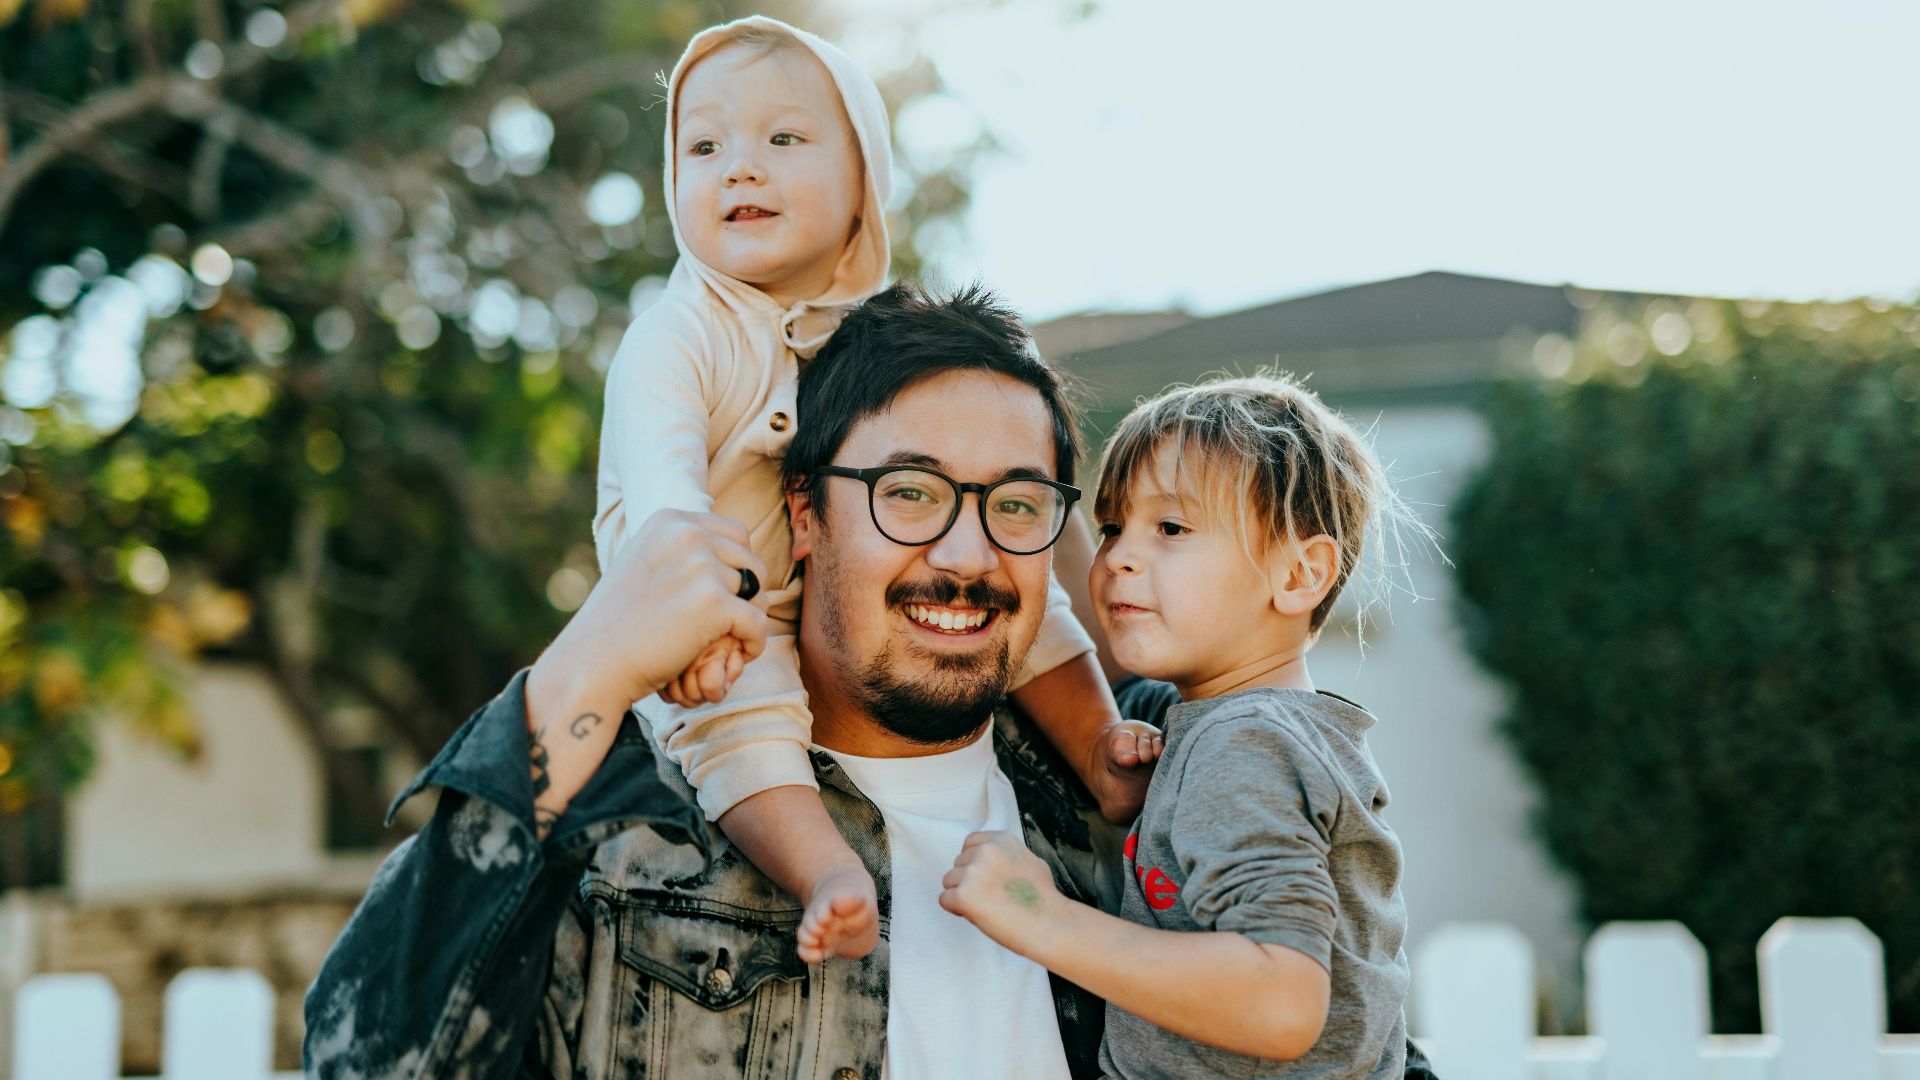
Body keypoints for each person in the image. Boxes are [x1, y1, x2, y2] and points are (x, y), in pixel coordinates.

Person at [307, 283, 1124, 1079]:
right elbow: (365, 1062)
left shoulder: (1140, 808)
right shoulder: (625, 840)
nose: (969, 555)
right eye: (909, 493)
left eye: (1017, 505)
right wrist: (586, 667)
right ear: (803, 513)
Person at [592, 15, 1150, 967]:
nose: (740, 168)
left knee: (1026, 594)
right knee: (740, 725)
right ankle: (825, 872)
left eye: (783, 138)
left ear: (864, 184)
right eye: (704, 147)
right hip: (713, 616)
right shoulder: (678, 335)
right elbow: (663, 500)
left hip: (804, 594)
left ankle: (1100, 747)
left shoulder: (874, 339)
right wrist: (694, 622)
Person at [941, 374, 1430, 1078]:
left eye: (1171, 528)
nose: (1117, 557)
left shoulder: (1244, 745)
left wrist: (1039, 917)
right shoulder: (1246, 727)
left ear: (1300, 575)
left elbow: (1282, 1001)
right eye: (1112, 527)